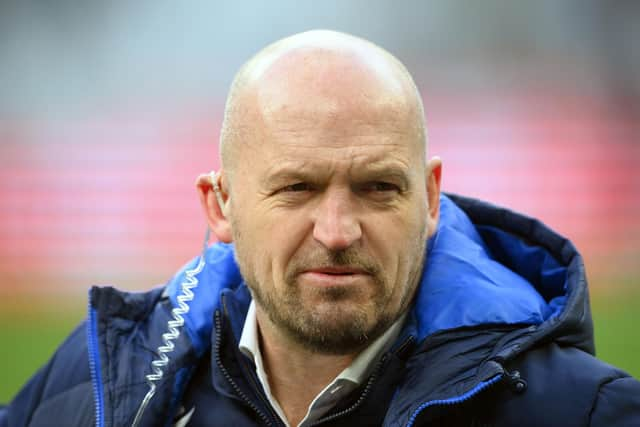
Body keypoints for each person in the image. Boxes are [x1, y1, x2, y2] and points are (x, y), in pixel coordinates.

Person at [1, 29, 639, 427]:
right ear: (220, 205)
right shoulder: (91, 394)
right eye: (297, 188)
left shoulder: (584, 411)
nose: (337, 231)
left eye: (378, 188)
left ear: (431, 198)